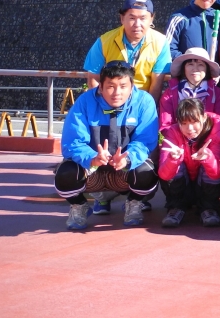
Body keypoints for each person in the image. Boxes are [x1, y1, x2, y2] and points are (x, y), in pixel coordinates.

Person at [55, 60, 159, 230]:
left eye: (123, 86)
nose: (117, 92)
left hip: (124, 172)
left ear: (132, 86)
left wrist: (127, 158)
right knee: (65, 172)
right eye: (110, 86)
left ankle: (134, 203)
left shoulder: (144, 102)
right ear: (100, 87)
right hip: (93, 174)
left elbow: (145, 140)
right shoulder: (85, 102)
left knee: (147, 172)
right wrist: (92, 158)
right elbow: (72, 141)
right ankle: (79, 205)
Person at [158, 97, 220, 228]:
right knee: (173, 165)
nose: (189, 128)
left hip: (204, 186)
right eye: (184, 123)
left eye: (194, 121)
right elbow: (164, 175)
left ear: (203, 117)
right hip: (184, 186)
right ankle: (176, 208)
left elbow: (218, 174)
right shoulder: (172, 133)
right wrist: (173, 160)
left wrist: (208, 158)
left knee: (210, 165)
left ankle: (209, 208)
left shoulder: (216, 132)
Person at [83, 0, 170, 101]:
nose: (137, 24)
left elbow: (156, 84)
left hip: (142, 100)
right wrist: (102, 105)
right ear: (122, 18)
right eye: (132, 18)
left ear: (151, 19)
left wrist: (147, 109)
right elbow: (94, 78)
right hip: (111, 99)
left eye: (143, 18)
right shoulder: (104, 41)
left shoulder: (161, 42)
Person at [159, 47, 220, 130]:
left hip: (210, 140)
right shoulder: (169, 94)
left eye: (200, 65)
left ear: (207, 69)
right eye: (190, 64)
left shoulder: (217, 94)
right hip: (177, 140)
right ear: (183, 68)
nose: (195, 69)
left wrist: (208, 141)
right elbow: (166, 126)